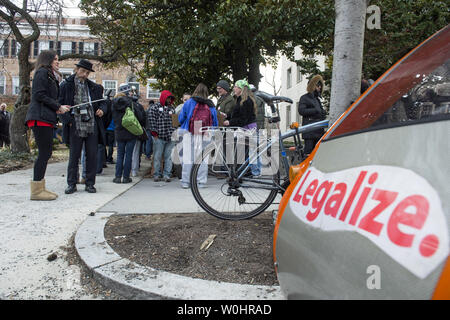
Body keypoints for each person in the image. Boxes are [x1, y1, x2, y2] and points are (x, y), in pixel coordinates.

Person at [24, 50, 70, 200]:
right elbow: (39, 95)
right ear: (48, 60)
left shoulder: (48, 74)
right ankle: (36, 190)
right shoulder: (42, 73)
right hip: (40, 117)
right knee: (44, 153)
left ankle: (40, 187)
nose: (58, 62)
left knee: (46, 153)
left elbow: (46, 96)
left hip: (44, 117)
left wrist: (59, 106)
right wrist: (58, 107)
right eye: (55, 59)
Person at [59, 59, 108, 194]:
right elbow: (59, 105)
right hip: (75, 124)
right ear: (77, 70)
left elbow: (103, 103)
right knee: (74, 156)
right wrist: (67, 120)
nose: (84, 75)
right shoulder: (66, 85)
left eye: (87, 72)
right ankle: (71, 183)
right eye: (82, 71)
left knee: (92, 156)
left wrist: (102, 110)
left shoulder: (94, 87)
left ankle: (90, 183)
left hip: (91, 124)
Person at [178, 83, 218, 188]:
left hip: (189, 130)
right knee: (203, 158)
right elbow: (214, 121)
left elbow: (181, 118)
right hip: (205, 132)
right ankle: (201, 182)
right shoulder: (210, 104)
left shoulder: (189, 102)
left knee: (188, 157)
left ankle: (186, 182)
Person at [111, 85, 146, 183]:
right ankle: (126, 177)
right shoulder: (131, 103)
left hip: (119, 132)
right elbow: (140, 117)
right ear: (127, 92)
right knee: (129, 155)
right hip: (131, 132)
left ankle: (118, 177)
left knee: (119, 155)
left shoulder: (113, 103)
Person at [224, 79, 258, 177]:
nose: (234, 88)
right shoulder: (240, 99)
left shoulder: (246, 101)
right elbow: (237, 114)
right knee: (241, 153)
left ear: (241, 88)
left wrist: (230, 122)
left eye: (235, 86)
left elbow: (243, 119)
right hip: (244, 129)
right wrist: (227, 116)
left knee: (242, 153)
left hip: (247, 129)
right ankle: (241, 175)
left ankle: (243, 175)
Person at [148, 89, 176, 182]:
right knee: (157, 156)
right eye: (168, 98)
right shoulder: (154, 108)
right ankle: (156, 174)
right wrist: (154, 134)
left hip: (170, 137)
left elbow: (175, 123)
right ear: (164, 97)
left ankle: (167, 175)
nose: (169, 100)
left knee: (169, 157)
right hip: (159, 137)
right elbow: (152, 121)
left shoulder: (172, 108)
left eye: (170, 98)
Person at [298, 74, 327, 155]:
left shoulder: (317, 99)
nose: (320, 87)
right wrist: (315, 110)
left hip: (318, 131)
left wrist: (322, 113)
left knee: (317, 154)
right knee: (308, 154)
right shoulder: (304, 98)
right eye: (318, 85)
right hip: (309, 131)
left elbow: (319, 112)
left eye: (320, 86)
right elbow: (301, 111)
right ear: (313, 86)